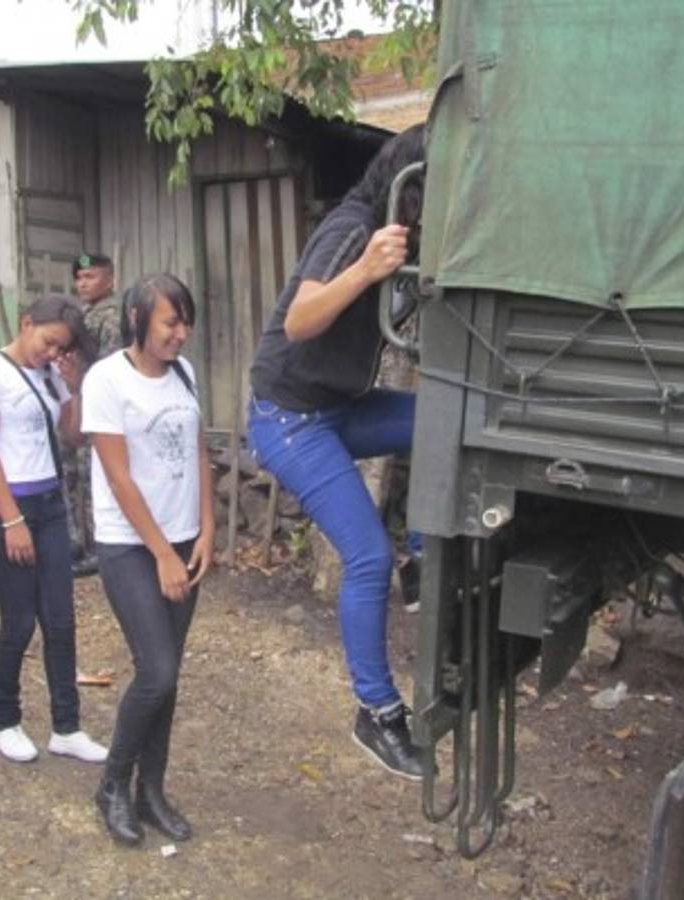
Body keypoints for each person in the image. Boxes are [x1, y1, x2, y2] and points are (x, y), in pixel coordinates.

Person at [246, 126, 429, 779]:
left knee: (444, 421)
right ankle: (376, 713)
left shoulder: (409, 242)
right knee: (367, 556)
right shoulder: (352, 229)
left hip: (340, 406)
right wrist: (365, 270)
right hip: (290, 418)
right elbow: (301, 321)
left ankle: (425, 561)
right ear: (410, 186)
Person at [82, 273, 215, 846]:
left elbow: (198, 451)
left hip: (184, 542)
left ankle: (151, 790)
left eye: (186, 323)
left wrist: (206, 528)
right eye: (171, 323)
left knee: (169, 676)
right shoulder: (106, 380)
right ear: (138, 319)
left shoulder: (184, 374)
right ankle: (112, 784)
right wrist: (162, 552)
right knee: (155, 670)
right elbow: (118, 477)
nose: (181, 334)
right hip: (131, 546)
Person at [0, 294, 108, 766]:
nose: (52, 352)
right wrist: (11, 521)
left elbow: (74, 435)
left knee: (61, 620)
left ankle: (67, 727)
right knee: (20, 620)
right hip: (5, 509)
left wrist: (74, 387)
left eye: (61, 347)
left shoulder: (50, 375)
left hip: (49, 506)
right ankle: (5, 722)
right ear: (26, 324)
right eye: (48, 342)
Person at [66, 252, 122, 576]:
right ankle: (80, 543)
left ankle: (98, 551)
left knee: (93, 478)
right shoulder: (84, 314)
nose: (82, 283)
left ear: (110, 281)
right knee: (76, 476)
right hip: (78, 404)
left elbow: (108, 369)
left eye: (90, 276)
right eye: (79, 277)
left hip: (98, 407)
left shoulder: (111, 318)